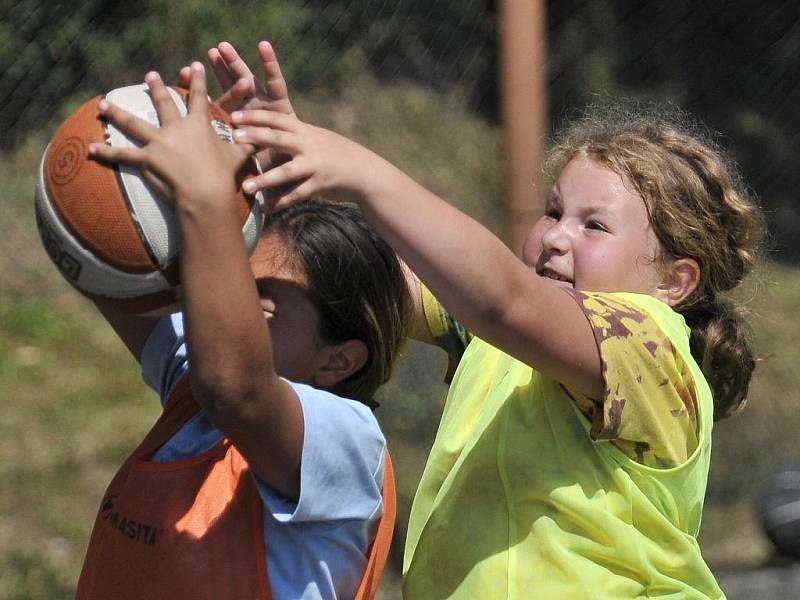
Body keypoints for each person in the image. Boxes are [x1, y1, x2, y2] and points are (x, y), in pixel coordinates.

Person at [223, 45, 765, 598]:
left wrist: (363, 174)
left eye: (594, 226)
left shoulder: (650, 346)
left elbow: (502, 300)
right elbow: (361, 276)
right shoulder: (495, 341)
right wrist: (273, 184)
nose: (556, 235)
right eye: (554, 212)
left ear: (674, 283)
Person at [78, 62, 411, 600]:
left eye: (266, 300)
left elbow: (237, 389)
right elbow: (114, 278)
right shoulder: (198, 390)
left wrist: (205, 195)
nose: (232, 303)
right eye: (239, 281)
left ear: (339, 360)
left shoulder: (347, 443)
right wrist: (220, 186)